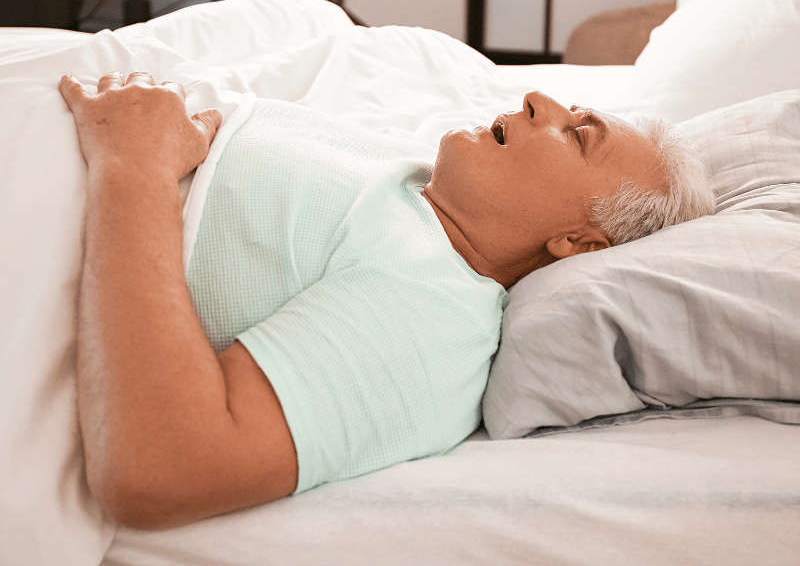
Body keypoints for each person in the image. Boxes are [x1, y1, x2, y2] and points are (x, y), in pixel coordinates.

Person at [58, 71, 714, 531]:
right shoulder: (416, 189)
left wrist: (134, 167)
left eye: (577, 134)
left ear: (578, 241)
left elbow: (165, 467)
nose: (539, 97)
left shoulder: (436, 313)